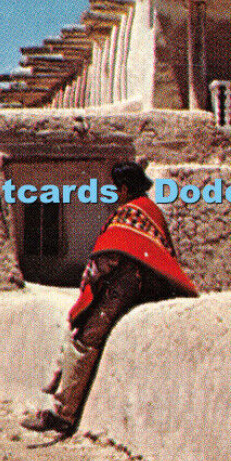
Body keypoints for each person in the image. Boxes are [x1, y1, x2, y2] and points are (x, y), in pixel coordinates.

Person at [21, 160, 197, 436]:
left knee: (85, 338)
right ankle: (57, 379)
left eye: (117, 189)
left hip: (126, 289)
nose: (116, 194)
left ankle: (62, 412)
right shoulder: (153, 212)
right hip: (152, 287)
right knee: (79, 327)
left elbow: (108, 257)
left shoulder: (128, 213)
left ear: (125, 189)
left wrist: (89, 281)